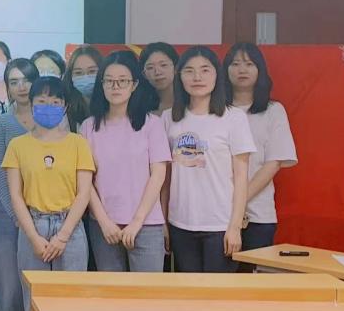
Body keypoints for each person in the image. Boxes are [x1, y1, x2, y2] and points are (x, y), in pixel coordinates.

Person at [3, 76, 94, 311]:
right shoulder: (17, 145)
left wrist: (63, 237)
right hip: (33, 227)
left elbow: (84, 193)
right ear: (31, 104)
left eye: (55, 102)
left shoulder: (78, 143)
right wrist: (33, 237)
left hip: (70, 228)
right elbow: (16, 196)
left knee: (72, 307)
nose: (48, 106)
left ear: (65, 106)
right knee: (33, 309)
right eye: (42, 101)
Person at [164, 46, 256, 273]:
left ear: (217, 74)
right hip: (180, 223)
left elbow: (241, 178)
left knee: (217, 292)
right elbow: (164, 178)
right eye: (189, 71)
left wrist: (235, 227)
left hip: (220, 225)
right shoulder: (169, 118)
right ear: (180, 77)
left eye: (205, 70)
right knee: (188, 291)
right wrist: (164, 223)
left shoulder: (234, 118)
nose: (197, 77)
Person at [82, 50, 170, 272]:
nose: (116, 87)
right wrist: (104, 221)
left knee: (147, 292)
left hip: (146, 224)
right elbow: (84, 181)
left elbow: (158, 175)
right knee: (111, 291)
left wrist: (137, 221)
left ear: (134, 85)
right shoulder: (88, 127)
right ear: (101, 85)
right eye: (109, 81)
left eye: (123, 81)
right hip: (104, 227)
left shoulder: (152, 124)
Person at [0, 58, 38, 311]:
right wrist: (17, 213)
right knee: (8, 290)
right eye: (14, 81)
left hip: (44, 217)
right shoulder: (2, 123)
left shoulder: (53, 119)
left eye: (27, 80)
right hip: (7, 218)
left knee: (36, 288)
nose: (22, 87)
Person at [224, 42, 298, 252]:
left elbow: (273, 163)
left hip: (257, 215)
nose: (242, 69)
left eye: (249, 64)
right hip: (216, 214)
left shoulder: (273, 111)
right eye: (235, 64)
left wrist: (238, 202)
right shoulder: (215, 111)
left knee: (252, 272)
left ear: (260, 70)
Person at [61, 45, 101, 130]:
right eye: (78, 73)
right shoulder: (64, 108)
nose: (85, 77)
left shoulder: (113, 105)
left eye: (92, 71)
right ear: (70, 76)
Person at [140, 42, 179, 115]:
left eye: (163, 65)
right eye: (150, 67)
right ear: (144, 74)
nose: (157, 72)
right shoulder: (139, 107)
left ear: (176, 68)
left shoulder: (190, 103)